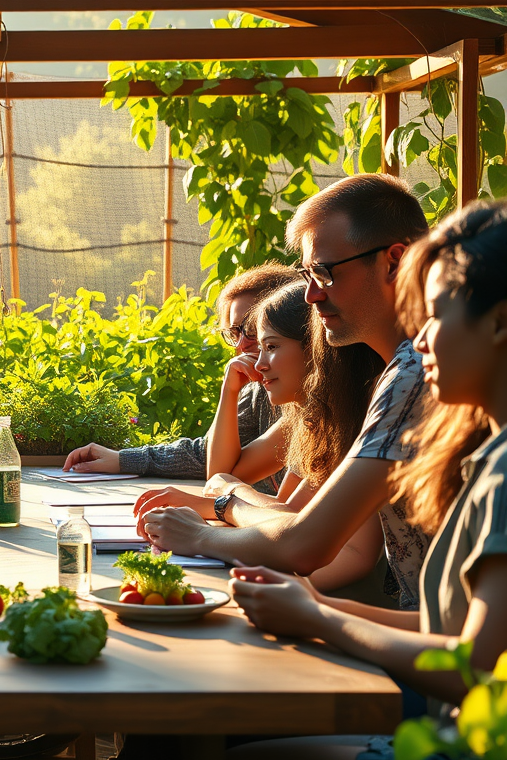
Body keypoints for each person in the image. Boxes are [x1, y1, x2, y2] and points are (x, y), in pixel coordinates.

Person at [225, 198, 507, 760]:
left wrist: (321, 616)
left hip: (461, 746)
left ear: (499, 322)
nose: (419, 340)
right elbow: (451, 627)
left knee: (237, 748)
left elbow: (474, 670)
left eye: (436, 317)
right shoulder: (490, 456)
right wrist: (312, 605)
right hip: (454, 728)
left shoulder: (500, 469)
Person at [142, 174, 432, 609]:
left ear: (395, 261)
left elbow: (306, 542)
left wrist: (206, 526)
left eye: (324, 272)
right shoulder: (399, 372)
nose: (311, 295)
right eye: (307, 273)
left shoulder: (415, 373)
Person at [136, 283, 389, 595]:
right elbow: (281, 511)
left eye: (270, 346)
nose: (257, 362)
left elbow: (292, 524)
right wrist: (229, 394)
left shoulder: (358, 421)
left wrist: (223, 505)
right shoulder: (313, 419)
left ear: (316, 351)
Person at [62, 262, 298, 486]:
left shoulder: (316, 411)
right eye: (235, 332)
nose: (241, 345)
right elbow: (214, 467)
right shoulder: (263, 391)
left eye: (253, 329)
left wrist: (220, 506)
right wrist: (123, 460)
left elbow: (289, 513)